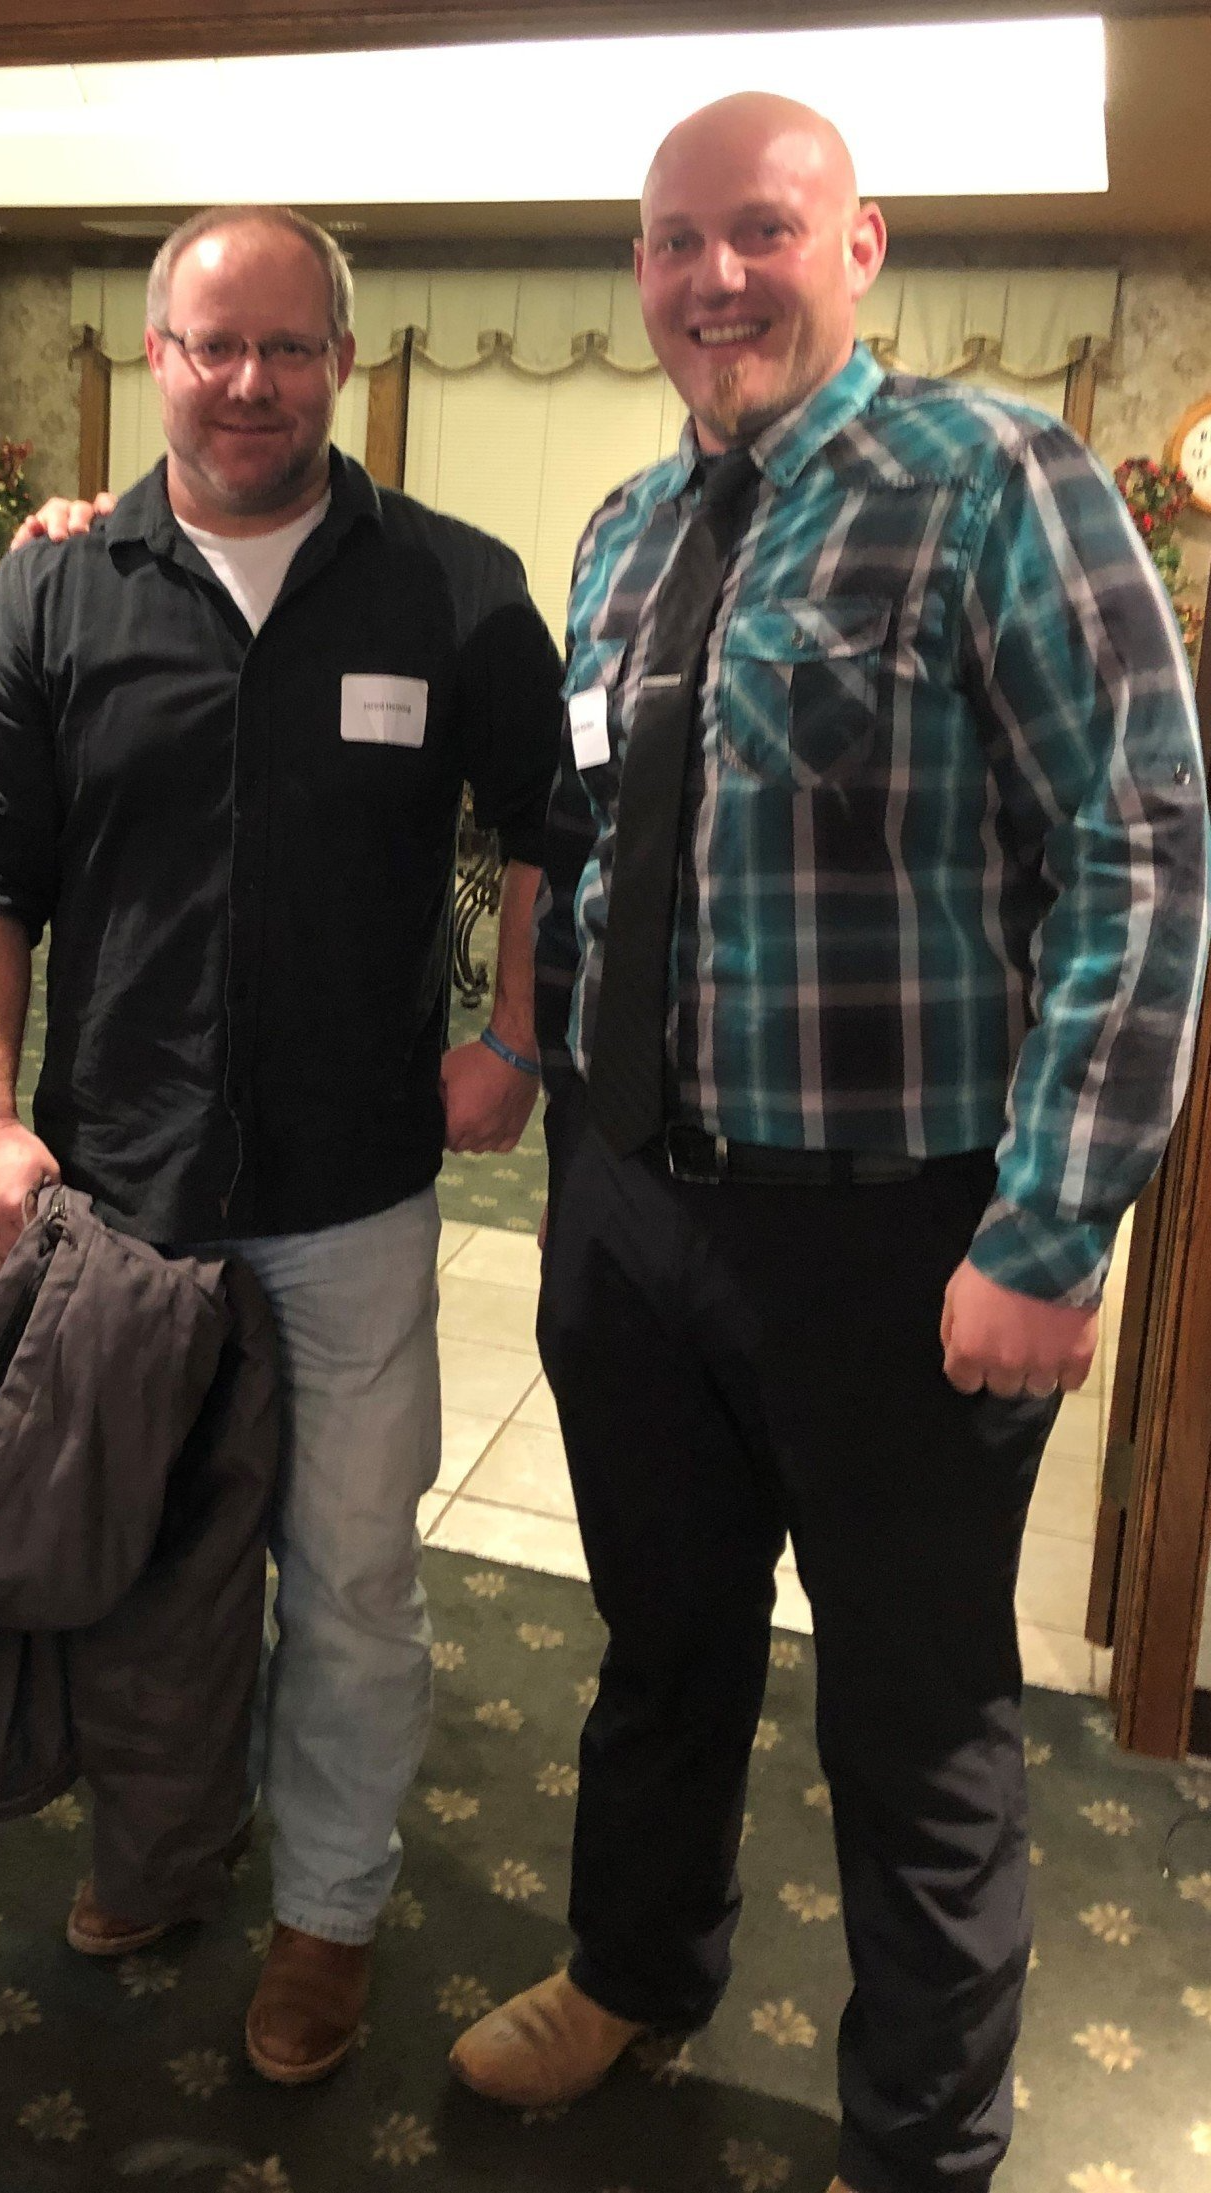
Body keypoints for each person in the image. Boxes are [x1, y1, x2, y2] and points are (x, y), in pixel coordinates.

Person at [447, 94, 1210, 2193]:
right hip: (631, 1215)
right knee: (661, 1643)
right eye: (676, 242)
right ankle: (632, 1969)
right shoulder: (622, 530)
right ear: (640, 273)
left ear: (859, 244)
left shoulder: (998, 484)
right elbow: (592, 848)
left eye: (760, 232)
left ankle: (921, 2145)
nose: (715, 280)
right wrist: (549, 1093)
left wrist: (1055, 1228)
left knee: (918, 1714)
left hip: (897, 1242)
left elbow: (1143, 857)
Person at [0, 204, 562, 2084]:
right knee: (147, 1553)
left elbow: (547, 827)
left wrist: (513, 1034)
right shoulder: (53, 593)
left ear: (341, 363)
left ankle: (331, 1915)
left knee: (351, 1573)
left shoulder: (452, 586)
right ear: (158, 357)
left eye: (289, 347)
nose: (250, 383)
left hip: (353, 1195)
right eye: (214, 346)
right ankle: (166, 1847)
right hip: (120, 1197)